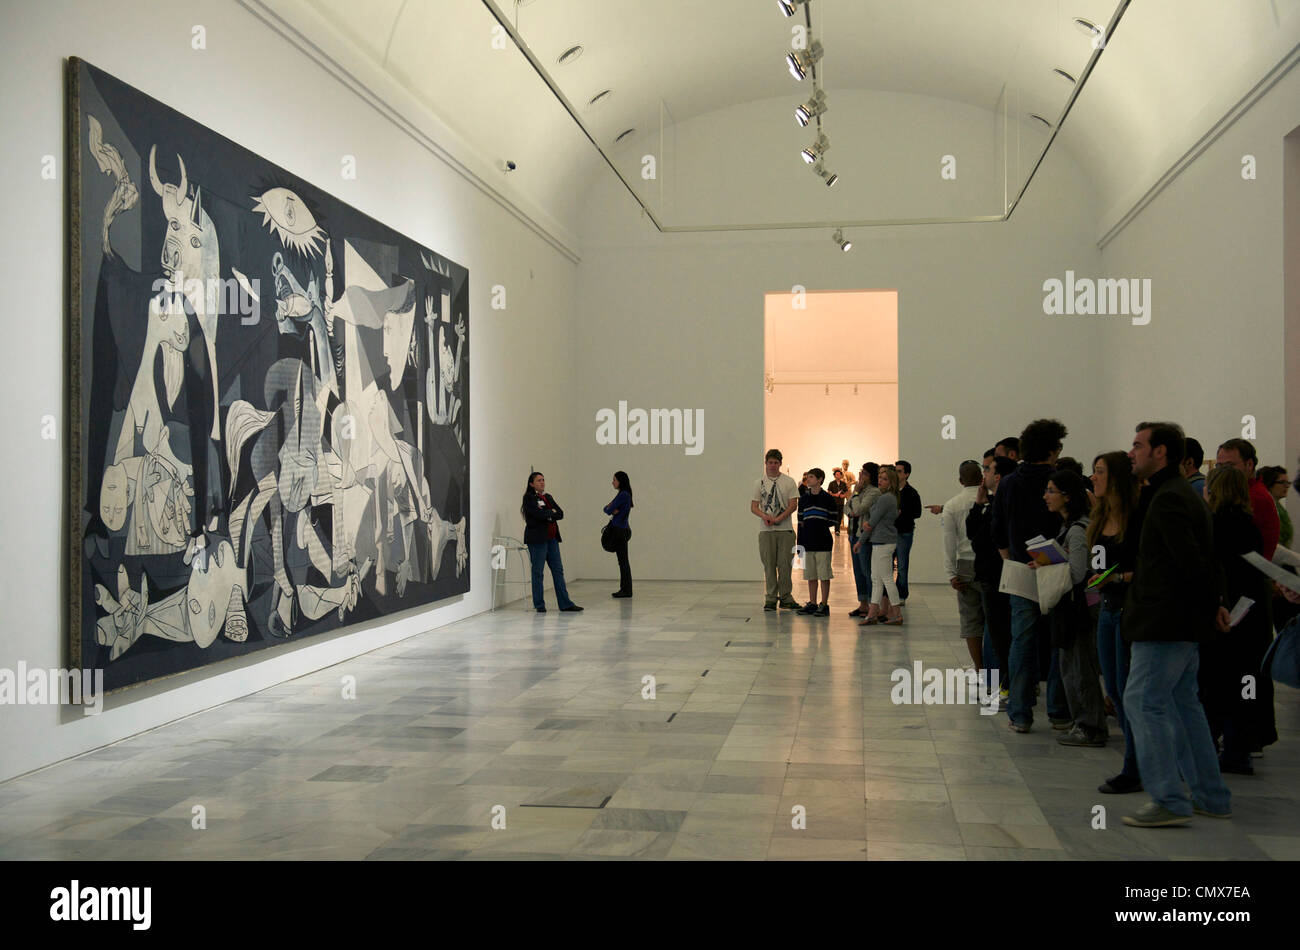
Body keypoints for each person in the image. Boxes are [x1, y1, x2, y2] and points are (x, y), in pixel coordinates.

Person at [1121, 421, 1232, 827]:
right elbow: (1207, 558)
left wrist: (1209, 605)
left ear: (1160, 452)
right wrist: (1214, 604)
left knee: (1142, 702)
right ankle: (1211, 795)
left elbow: (1190, 563)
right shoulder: (1177, 494)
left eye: (1137, 445)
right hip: (1182, 622)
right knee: (1184, 707)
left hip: (1164, 622)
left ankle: (1169, 797)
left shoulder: (1169, 499)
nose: (1131, 452)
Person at [992, 419, 1071, 733]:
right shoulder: (1060, 480)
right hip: (1056, 567)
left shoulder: (1009, 482)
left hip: (1021, 569)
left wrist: (1011, 558)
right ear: (1053, 451)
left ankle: (1021, 713)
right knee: (1057, 641)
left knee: (1022, 641)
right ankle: (1058, 711)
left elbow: (996, 529)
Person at [1200, 466, 1273, 775]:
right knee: (1245, 685)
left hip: (1223, 616)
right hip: (1250, 617)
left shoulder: (1213, 527)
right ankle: (1238, 749)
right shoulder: (1249, 526)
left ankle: (1210, 746)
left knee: (1215, 685)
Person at [1088, 451, 1143, 793]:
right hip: (1106, 610)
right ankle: (1135, 761)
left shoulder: (1136, 518)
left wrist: (1115, 578)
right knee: (1115, 690)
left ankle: (1135, 765)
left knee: (1128, 690)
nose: (1093, 478)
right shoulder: (1100, 515)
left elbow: (1147, 567)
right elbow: (1098, 570)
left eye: (1099, 472)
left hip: (1128, 610)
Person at [1041, 468, 1108, 747]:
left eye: (1051, 491)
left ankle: (1090, 726)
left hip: (1079, 608)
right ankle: (1085, 723)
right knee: (1072, 666)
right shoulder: (1070, 526)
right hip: (1075, 607)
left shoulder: (1078, 530)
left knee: (1080, 668)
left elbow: (1078, 572)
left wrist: (1052, 562)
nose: (1046, 496)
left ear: (1067, 497)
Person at [968, 455, 1017, 705]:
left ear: (997, 476)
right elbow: (972, 533)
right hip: (989, 576)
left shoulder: (1004, 506)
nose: (983, 474)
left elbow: (981, 540)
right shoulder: (991, 504)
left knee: (1002, 636)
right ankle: (1000, 684)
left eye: (987, 470)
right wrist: (978, 505)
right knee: (996, 635)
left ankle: (1006, 687)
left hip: (1000, 578)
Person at [942, 460, 985, 668]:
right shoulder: (991, 499)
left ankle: (980, 668)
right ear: (982, 478)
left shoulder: (952, 505)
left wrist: (951, 573)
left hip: (965, 566)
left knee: (971, 621)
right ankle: (999, 671)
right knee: (994, 620)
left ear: (960, 480)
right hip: (991, 565)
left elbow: (949, 543)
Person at [521, 472, 582, 613]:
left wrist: (548, 512)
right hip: (537, 540)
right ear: (531, 484)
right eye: (538, 480)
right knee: (538, 572)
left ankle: (565, 604)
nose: (542, 482)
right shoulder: (529, 498)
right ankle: (539, 605)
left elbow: (560, 513)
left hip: (552, 539)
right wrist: (550, 513)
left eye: (543, 480)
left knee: (558, 571)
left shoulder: (547, 497)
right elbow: (538, 514)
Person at [1216, 438, 1279, 560]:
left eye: (1229, 465)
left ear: (1249, 464)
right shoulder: (1244, 493)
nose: (1222, 472)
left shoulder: (1254, 496)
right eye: (1219, 466)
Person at [753, 449, 800, 611]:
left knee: (785, 565)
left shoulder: (789, 481)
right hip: (766, 531)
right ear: (766, 463)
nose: (773, 465)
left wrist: (779, 518)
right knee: (769, 565)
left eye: (776, 462)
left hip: (785, 530)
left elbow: (793, 504)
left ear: (780, 464)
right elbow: (754, 506)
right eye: (770, 462)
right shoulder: (759, 483)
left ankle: (786, 597)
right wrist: (764, 516)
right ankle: (771, 598)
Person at [857, 466, 902, 625]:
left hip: (884, 542)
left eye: (884, 479)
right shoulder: (887, 497)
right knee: (876, 579)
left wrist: (862, 537)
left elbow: (872, 521)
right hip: (879, 541)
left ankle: (896, 614)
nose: (880, 481)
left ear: (891, 483)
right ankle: (872, 614)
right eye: (880, 478)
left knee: (886, 579)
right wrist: (866, 529)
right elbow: (871, 522)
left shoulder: (886, 498)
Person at [796, 468, 837, 615]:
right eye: (807, 477)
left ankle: (824, 604)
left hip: (823, 542)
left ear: (820, 479)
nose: (808, 480)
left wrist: (819, 526)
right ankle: (812, 602)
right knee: (811, 575)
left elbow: (833, 519)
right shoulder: (804, 500)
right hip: (808, 542)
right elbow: (800, 521)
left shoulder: (828, 499)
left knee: (824, 574)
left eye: (812, 477)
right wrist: (799, 546)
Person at [847, 462, 881, 617]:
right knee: (857, 571)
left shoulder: (874, 492)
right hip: (853, 534)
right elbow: (847, 508)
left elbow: (860, 510)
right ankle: (863, 604)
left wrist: (855, 496)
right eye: (861, 472)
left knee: (867, 571)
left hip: (864, 536)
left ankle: (873, 605)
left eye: (865, 473)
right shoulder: (859, 490)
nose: (861, 475)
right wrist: (854, 501)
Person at [893, 460, 922, 606]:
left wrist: (902, 513)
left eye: (899, 471)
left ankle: (901, 594)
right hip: (889, 533)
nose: (896, 473)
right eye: (895, 470)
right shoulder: (890, 491)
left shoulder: (911, 493)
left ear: (906, 474)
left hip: (904, 533)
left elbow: (917, 513)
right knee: (886, 566)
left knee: (902, 565)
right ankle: (887, 596)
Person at [603, 471, 634, 598]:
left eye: (614, 480)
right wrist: (610, 508)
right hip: (622, 529)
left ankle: (626, 590)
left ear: (620, 481)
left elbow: (608, 509)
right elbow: (607, 509)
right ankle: (625, 589)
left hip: (620, 530)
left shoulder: (623, 495)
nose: (613, 482)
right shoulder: (623, 494)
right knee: (623, 561)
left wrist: (611, 508)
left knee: (623, 561)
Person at [1258, 465, 1293, 549]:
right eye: (1282, 482)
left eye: (1288, 483)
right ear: (1270, 483)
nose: (1286, 486)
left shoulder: (1280, 509)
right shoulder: (1267, 508)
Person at [827, 468, 848, 534]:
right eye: (836, 474)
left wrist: (843, 495)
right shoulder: (831, 483)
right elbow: (828, 492)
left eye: (839, 474)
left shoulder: (843, 484)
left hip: (841, 502)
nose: (837, 476)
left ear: (841, 476)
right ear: (834, 475)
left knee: (840, 516)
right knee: (835, 516)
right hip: (834, 503)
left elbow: (846, 492)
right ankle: (837, 530)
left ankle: (837, 529)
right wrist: (834, 494)